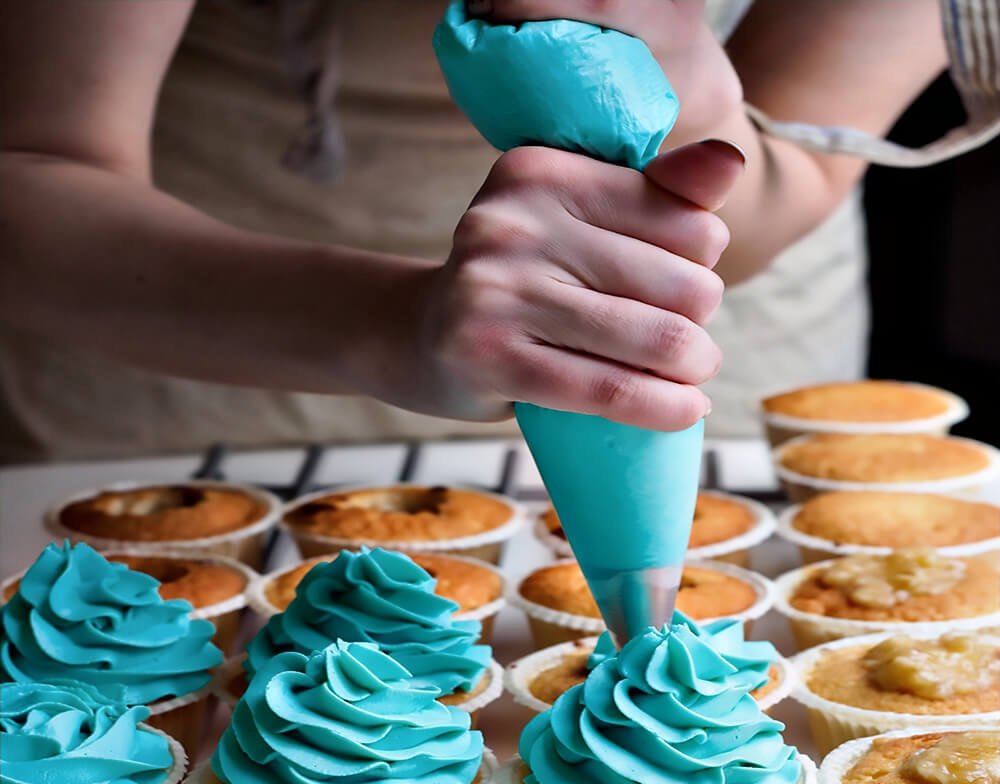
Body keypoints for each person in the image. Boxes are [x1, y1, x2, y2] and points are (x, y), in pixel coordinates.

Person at [0, 0, 995, 463]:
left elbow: (801, 154)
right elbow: (34, 169)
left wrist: (684, 100)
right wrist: (389, 326)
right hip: (180, 348)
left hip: (708, 356)